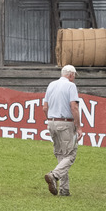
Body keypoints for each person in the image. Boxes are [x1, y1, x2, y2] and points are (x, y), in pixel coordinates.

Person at [42, 64, 80, 197]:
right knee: (70, 154)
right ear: (71, 75)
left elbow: (45, 107)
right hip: (65, 123)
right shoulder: (71, 86)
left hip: (51, 121)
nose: (74, 78)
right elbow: (74, 106)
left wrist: (50, 120)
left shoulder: (51, 85)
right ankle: (54, 175)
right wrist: (78, 127)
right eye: (74, 75)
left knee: (60, 154)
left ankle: (64, 189)